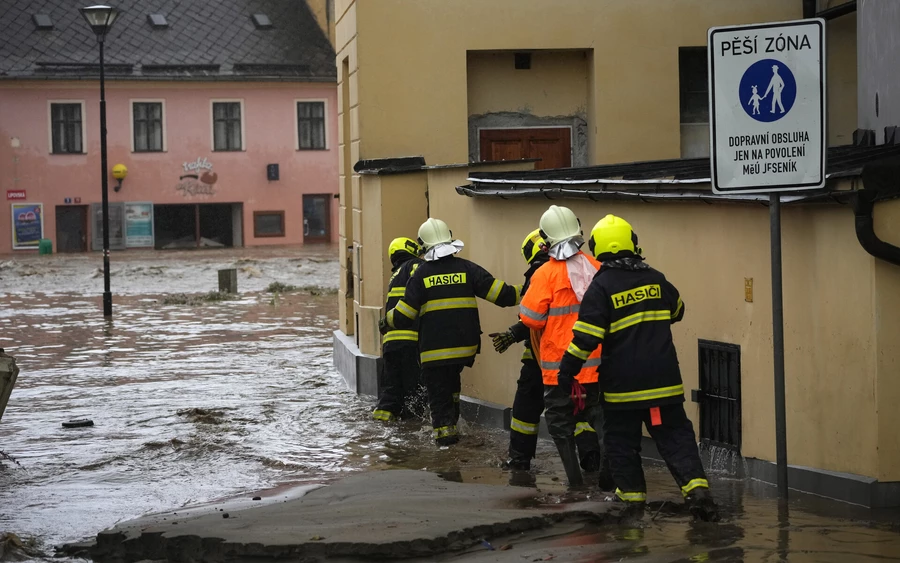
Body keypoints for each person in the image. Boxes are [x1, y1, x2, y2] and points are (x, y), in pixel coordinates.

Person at [556, 214, 719, 522]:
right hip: (664, 385)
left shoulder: (601, 287)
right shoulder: (656, 278)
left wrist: (567, 371)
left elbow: (586, 338)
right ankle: (698, 492)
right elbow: (678, 310)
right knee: (675, 439)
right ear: (633, 243)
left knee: (622, 444)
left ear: (597, 248)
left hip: (623, 390)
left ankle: (632, 508)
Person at [383, 218, 522, 446]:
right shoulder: (467, 268)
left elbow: (404, 315)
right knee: (452, 385)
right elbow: (503, 295)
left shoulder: (420, 275)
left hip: (435, 351)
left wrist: (385, 321)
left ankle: (447, 446)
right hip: (464, 347)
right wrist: (530, 287)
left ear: (424, 245)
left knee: (438, 396)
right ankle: (455, 425)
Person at [489, 229, 606, 476]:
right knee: (583, 411)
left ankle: (520, 460)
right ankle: (591, 458)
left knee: (527, 411)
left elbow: (534, 317)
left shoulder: (542, 273)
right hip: (587, 360)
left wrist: (512, 334)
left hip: (545, 360)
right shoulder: (586, 266)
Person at [518, 206, 610, 488]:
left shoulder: (545, 274)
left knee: (561, 427)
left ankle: (575, 483)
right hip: (597, 368)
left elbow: (530, 318)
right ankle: (609, 481)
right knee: (605, 425)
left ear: (545, 240)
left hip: (559, 371)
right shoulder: (597, 267)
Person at [373, 237, 425, 422]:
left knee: (390, 390)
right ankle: (411, 429)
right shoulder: (415, 266)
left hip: (390, 344)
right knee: (414, 392)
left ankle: (381, 422)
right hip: (411, 342)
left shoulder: (395, 275)